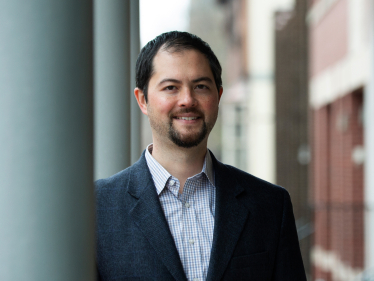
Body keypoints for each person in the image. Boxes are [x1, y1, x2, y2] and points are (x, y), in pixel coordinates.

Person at [95, 31, 306, 281]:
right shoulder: (96, 208)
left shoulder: (270, 205)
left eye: (201, 87)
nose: (187, 100)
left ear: (218, 96)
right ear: (143, 100)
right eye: (171, 87)